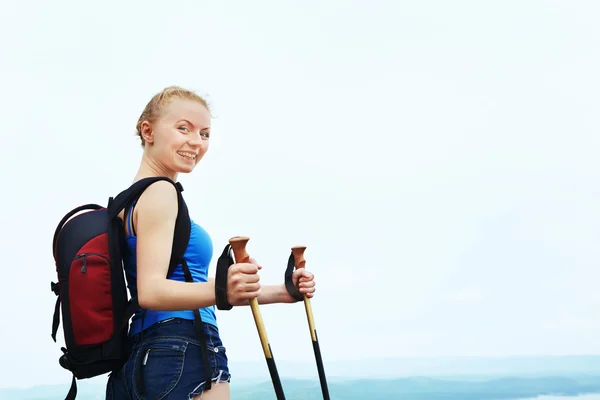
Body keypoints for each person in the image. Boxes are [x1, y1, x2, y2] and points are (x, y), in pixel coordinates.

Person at [105, 86, 317, 400]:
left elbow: (185, 287)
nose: (196, 142)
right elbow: (152, 291)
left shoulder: (128, 200)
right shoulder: (161, 192)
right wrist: (222, 289)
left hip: (141, 355)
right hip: (183, 348)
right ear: (147, 131)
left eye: (204, 133)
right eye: (183, 128)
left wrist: (284, 293)